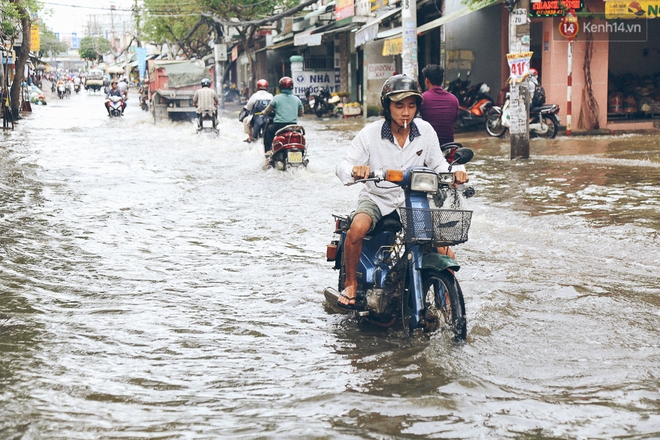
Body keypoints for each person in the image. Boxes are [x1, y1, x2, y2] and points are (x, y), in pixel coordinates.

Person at [334, 74, 469, 310]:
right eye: (399, 106)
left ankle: (448, 302)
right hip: (377, 197)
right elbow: (342, 165)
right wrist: (355, 170)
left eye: (411, 105)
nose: (405, 112)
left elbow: (439, 164)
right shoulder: (370, 133)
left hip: (413, 201)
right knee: (357, 229)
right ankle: (351, 283)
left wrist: (455, 172)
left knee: (442, 248)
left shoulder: (425, 131)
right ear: (388, 107)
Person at [419, 64, 459, 146]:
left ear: (426, 80)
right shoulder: (453, 99)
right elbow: (454, 121)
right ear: (442, 80)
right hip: (449, 147)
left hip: (428, 146)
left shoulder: (422, 99)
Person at [262, 76, 303, 154]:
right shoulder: (297, 99)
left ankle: (268, 152)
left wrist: (264, 113)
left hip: (278, 126)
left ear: (280, 87)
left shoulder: (276, 98)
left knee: (268, 131)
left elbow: (267, 111)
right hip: (293, 126)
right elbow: (301, 114)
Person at [242, 79, 273, 143]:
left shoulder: (255, 95)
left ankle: (250, 137)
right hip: (268, 117)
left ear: (257, 87)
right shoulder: (270, 96)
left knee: (245, 121)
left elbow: (248, 107)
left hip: (256, 117)